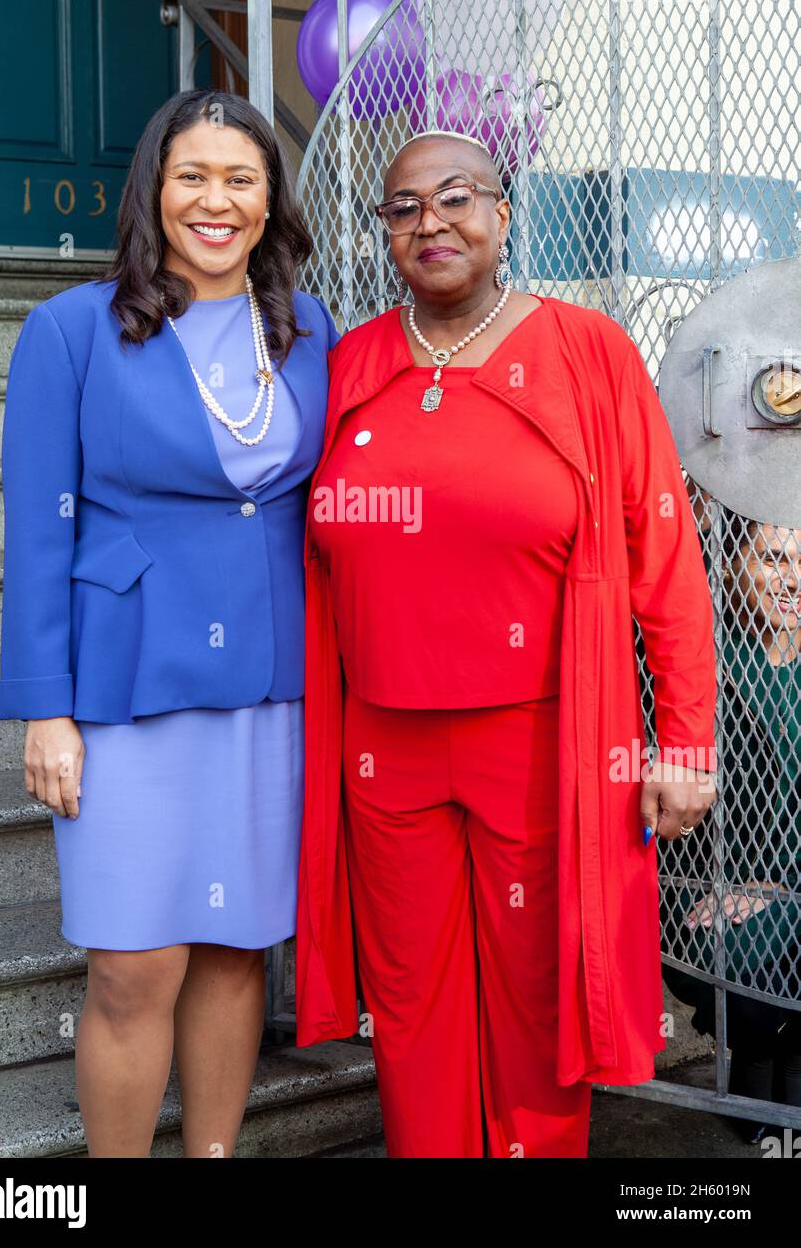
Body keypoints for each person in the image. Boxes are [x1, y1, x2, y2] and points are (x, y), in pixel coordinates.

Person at [294, 128, 718, 1158]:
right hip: (382, 749)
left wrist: (685, 736)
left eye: (454, 198)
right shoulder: (353, 361)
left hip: (540, 747)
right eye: (401, 208)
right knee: (410, 1007)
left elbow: (662, 552)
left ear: (503, 213)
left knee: (539, 1001)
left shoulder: (587, 352)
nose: (428, 222)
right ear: (383, 234)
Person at [0, 89, 338, 1157]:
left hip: (267, 687)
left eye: (241, 178)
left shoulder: (309, 326)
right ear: (153, 187)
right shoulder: (70, 331)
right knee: (132, 960)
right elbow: (37, 535)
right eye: (192, 175)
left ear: (270, 198)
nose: (216, 200)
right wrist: (44, 709)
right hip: (125, 687)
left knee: (236, 946)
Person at [662, 513, 801, 1142]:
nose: (791, 580)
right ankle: (759, 1070)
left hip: (787, 887)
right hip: (708, 886)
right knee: (746, 974)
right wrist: (732, 876)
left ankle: (783, 1072)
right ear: (729, 568)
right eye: (773, 559)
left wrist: (774, 882)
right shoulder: (699, 670)